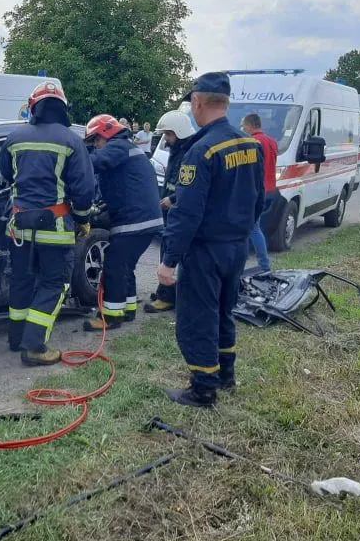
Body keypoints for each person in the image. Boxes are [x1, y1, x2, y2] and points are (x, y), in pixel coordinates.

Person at [158, 72, 264, 408]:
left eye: (193, 102)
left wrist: (169, 260)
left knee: (198, 318)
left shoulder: (201, 150)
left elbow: (186, 214)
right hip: (236, 246)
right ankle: (225, 375)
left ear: (199, 101)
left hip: (205, 250)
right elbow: (259, 199)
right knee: (223, 311)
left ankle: (203, 388)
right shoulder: (251, 144)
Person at [0, 82, 96, 366]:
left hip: (18, 228)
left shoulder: (14, 137)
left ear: (34, 107)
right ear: (62, 108)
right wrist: (82, 220)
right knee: (53, 283)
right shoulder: (72, 141)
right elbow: (84, 190)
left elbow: (6, 174)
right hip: (54, 229)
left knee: (21, 282)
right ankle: (33, 347)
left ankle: (16, 339)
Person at [82, 114, 164, 330]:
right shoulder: (126, 147)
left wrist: (75, 158)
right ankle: (127, 310)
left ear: (106, 133)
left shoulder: (117, 146)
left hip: (134, 221)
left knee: (115, 265)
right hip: (145, 220)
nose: (95, 146)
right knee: (126, 266)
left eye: (95, 141)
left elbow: (93, 163)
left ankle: (110, 317)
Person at [144, 110, 196, 314]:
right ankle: (166, 290)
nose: (166, 138)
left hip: (179, 210)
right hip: (173, 210)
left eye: (169, 134)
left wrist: (172, 200)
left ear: (180, 132)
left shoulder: (189, 154)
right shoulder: (180, 150)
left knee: (171, 251)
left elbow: (189, 186)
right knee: (167, 249)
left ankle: (168, 296)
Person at [242, 114, 278, 272]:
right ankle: (262, 265)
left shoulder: (253, 143)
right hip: (271, 189)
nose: (243, 130)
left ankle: (264, 266)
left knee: (251, 228)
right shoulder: (272, 141)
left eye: (244, 127)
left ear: (250, 126)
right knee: (255, 227)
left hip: (256, 191)